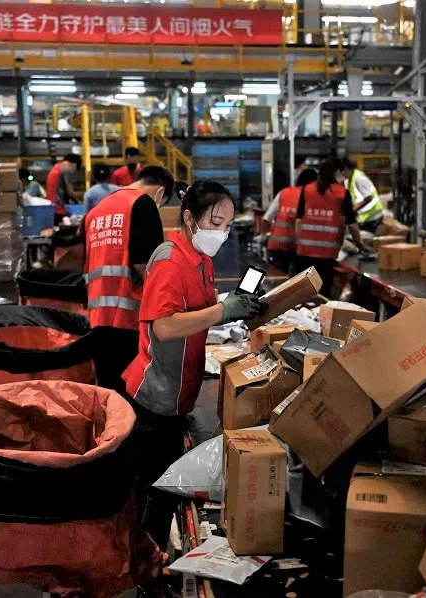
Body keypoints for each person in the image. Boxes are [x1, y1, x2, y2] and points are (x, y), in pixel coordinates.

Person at [122, 181, 265, 551]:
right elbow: (164, 326)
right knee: (157, 491)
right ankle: (143, 570)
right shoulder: (170, 260)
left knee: (166, 488)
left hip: (178, 393)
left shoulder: (200, 259)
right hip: (154, 398)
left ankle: (146, 561)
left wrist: (234, 306)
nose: (222, 232)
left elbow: (197, 312)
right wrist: (223, 310)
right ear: (189, 218)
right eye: (215, 222)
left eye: (228, 224)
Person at [84, 165, 174, 397]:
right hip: (129, 319)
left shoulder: (96, 211)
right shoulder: (142, 204)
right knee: (132, 399)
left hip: (97, 319)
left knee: (108, 398)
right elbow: (146, 266)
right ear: (161, 192)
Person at [295, 158, 368, 298]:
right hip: (326, 255)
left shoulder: (307, 190)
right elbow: (352, 224)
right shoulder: (341, 193)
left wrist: (299, 244)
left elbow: (299, 220)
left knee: (302, 294)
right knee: (322, 295)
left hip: (304, 253)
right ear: (337, 173)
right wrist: (360, 245)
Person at [262, 167, 318, 275]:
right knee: (296, 283)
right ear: (312, 182)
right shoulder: (311, 196)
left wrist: (263, 235)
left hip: (276, 246)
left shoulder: (284, 193)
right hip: (297, 248)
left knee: (277, 280)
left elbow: (266, 218)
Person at [341, 157, 384, 233]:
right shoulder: (348, 180)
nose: (341, 174)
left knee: (368, 241)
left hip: (373, 217)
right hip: (365, 218)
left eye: (342, 171)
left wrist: (353, 210)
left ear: (347, 168)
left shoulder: (359, 178)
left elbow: (368, 197)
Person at [47, 153, 81, 224]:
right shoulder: (66, 170)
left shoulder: (55, 168)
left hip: (51, 208)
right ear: (74, 164)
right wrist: (78, 203)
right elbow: (70, 192)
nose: (73, 171)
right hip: (60, 209)